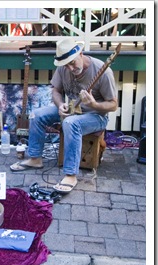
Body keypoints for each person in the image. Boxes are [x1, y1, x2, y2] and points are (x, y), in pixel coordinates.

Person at [10, 37, 118, 193]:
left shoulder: (103, 71)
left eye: (72, 62)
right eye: (66, 65)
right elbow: (55, 91)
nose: (70, 68)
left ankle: (70, 175)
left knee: (70, 123)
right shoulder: (63, 68)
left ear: (80, 53)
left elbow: (113, 105)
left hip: (96, 116)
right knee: (36, 115)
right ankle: (35, 158)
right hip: (73, 109)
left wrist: (94, 104)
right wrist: (60, 105)